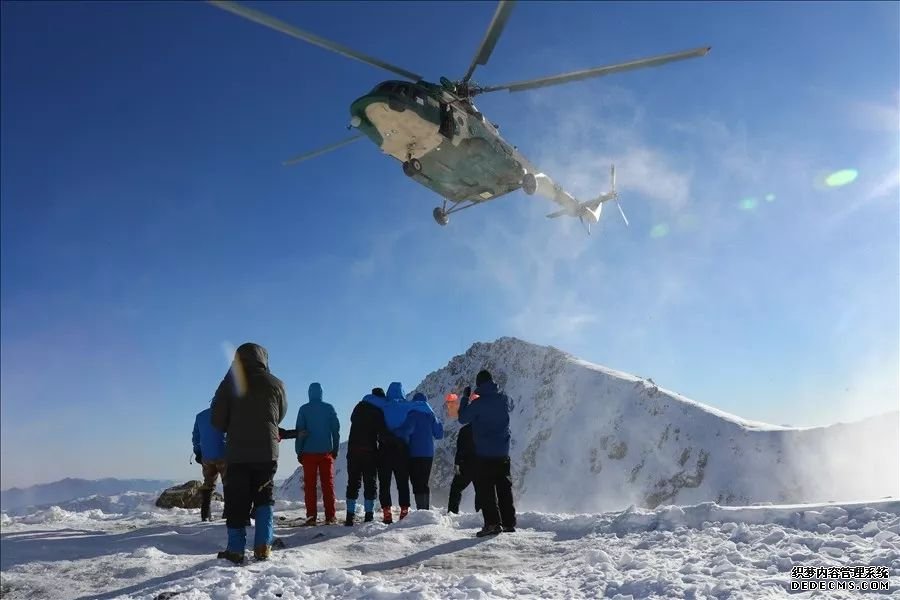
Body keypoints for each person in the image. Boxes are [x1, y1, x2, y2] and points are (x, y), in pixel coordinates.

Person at [211, 342, 287, 563]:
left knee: (236, 499)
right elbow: (278, 415)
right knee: (265, 497)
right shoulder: (276, 383)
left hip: (238, 453)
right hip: (266, 451)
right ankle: (263, 546)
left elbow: (216, 419)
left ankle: (236, 549)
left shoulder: (230, 385)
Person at [458, 369, 516, 537]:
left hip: (484, 454)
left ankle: (492, 524)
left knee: (486, 490)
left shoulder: (478, 404)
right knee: (504, 488)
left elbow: (462, 418)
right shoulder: (504, 399)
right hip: (503, 452)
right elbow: (512, 404)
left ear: (478, 385)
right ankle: (508, 523)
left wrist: (465, 399)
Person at [295, 382, 340, 525]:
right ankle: (330, 516)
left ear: (309, 393)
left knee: (310, 486)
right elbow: (336, 431)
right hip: (326, 451)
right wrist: (335, 449)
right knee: (328, 485)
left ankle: (311, 517)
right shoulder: (329, 408)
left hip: (308, 453)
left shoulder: (304, 409)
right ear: (321, 393)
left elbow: (300, 432)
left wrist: (299, 451)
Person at [343, 387, 387, 526]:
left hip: (353, 450)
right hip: (369, 451)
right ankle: (368, 516)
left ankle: (349, 516)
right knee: (370, 483)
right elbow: (382, 433)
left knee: (353, 482)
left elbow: (352, 420)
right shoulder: (378, 411)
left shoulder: (358, 407)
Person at [399, 392, 444, 510]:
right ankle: (425, 509)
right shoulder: (431, 415)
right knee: (424, 482)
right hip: (428, 454)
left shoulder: (412, 415)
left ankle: (421, 510)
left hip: (414, 453)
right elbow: (439, 434)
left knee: (416, 482)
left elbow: (405, 432)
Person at [192, 402, 227, 522]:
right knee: (228, 484)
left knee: (208, 484)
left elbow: (195, 437)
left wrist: (198, 452)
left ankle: (205, 515)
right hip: (224, 455)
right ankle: (227, 514)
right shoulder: (227, 413)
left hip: (206, 456)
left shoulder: (200, 416)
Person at [447, 423, 480, 515]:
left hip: (466, 464)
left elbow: (460, 448)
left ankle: (452, 512)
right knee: (481, 490)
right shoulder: (486, 428)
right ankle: (481, 513)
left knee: (456, 488)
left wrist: (457, 463)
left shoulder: (465, 430)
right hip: (481, 464)